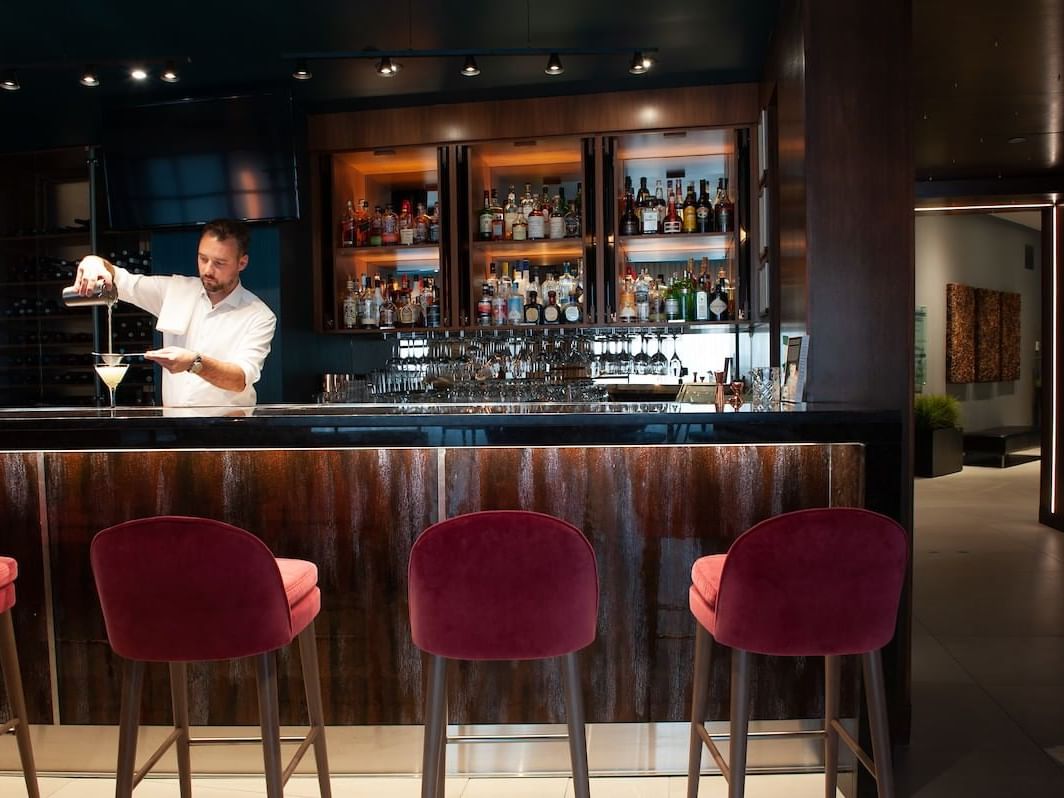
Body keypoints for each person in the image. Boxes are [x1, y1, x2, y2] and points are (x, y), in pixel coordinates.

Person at [74, 219, 276, 407]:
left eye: (219, 263)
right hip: (174, 429)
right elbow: (123, 280)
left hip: (228, 432)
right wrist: (94, 262)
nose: (207, 269)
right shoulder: (174, 291)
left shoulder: (259, 316)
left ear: (242, 263)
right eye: (203, 258)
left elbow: (240, 379)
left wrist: (194, 362)